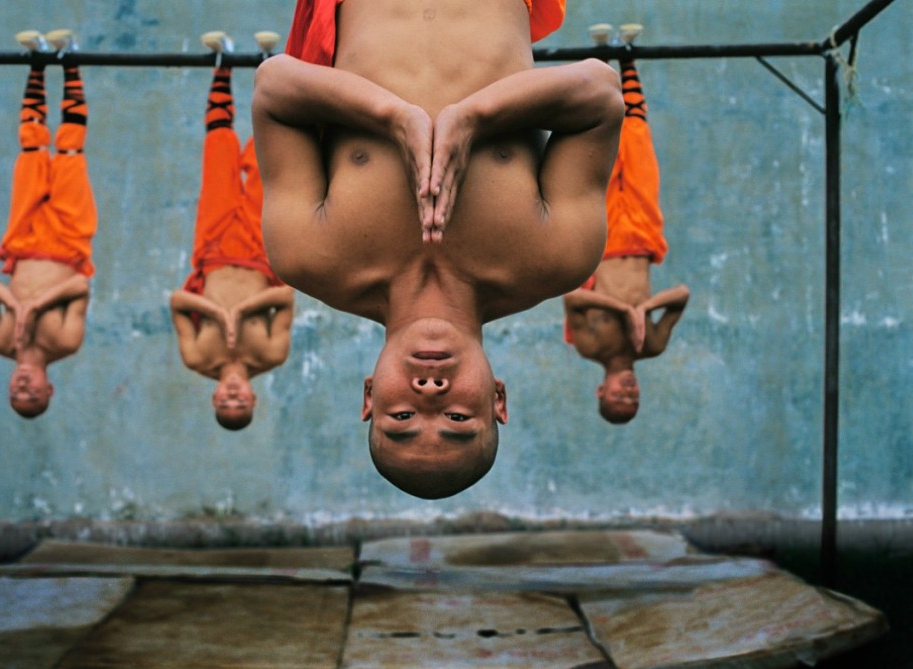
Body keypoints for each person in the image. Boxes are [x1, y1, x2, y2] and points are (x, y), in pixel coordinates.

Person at [252, 0, 623, 497]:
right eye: (457, 416)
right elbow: (600, 93)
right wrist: (474, 118)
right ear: (498, 400)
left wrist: (392, 117)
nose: (429, 393)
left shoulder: (308, 256)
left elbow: (274, 85)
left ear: (368, 396)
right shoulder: (558, 257)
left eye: (402, 416)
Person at [562, 25, 690, 424]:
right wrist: (645, 309)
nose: (628, 392)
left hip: (599, 235)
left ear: (602, 390)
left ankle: (599, 58)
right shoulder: (651, 344)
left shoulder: (589, 346)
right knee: (636, 142)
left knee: (600, 149)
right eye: (633, 400)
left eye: (619, 398)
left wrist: (621, 308)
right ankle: (628, 58)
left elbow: (572, 300)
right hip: (641, 235)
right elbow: (682, 295)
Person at [169, 33, 295, 431]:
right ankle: (267, 64)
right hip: (260, 250)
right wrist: (240, 312)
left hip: (214, 247)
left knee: (219, 157)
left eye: (227, 402)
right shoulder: (272, 354)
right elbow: (287, 297)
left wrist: (217, 313)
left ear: (215, 397)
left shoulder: (196, 357)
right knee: (264, 160)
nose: (234, 395)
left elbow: (176, 301)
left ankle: (221, 65)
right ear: (254, 398)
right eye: (241, 402)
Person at [0, 30, 96, 419]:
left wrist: (14, 304)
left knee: (31, 150)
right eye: (33, 395)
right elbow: (79, 286)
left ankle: (37, 63)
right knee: (68, 151)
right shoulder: (65, 343)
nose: (23, 388)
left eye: (16, 395)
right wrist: (35, 308)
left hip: (23, 240)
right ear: (50, 388)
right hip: (68, 240)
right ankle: (71, 60)